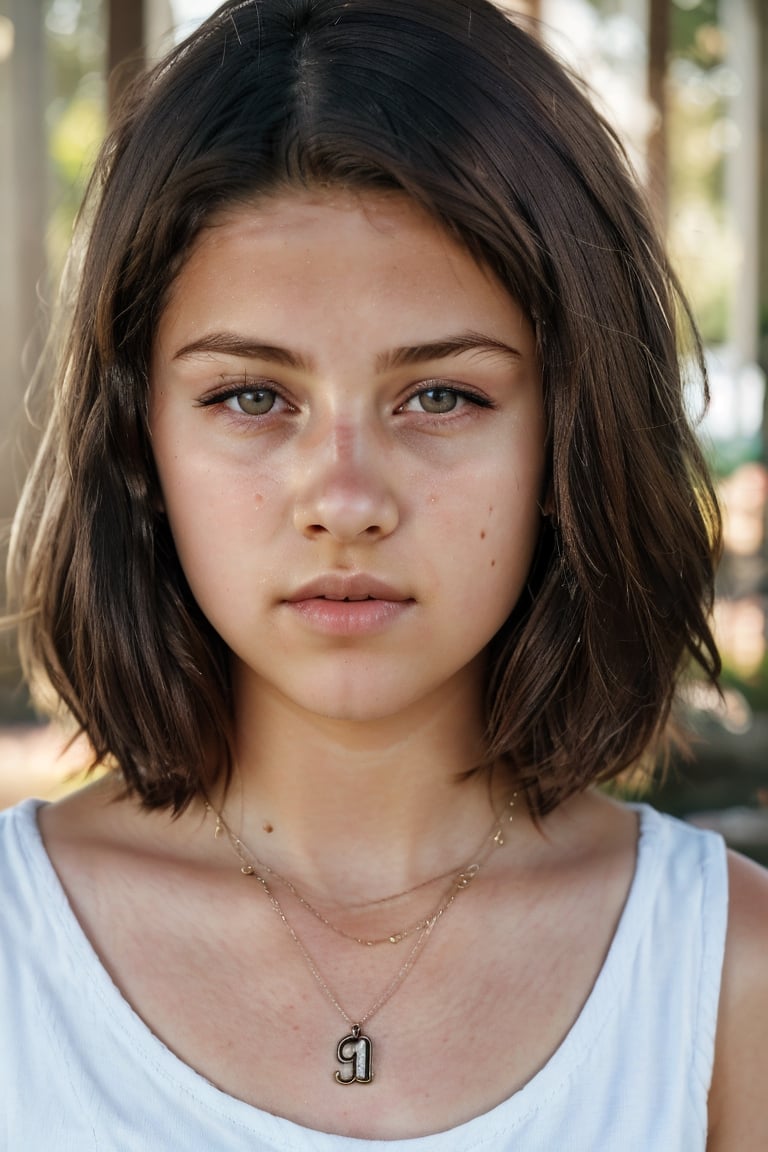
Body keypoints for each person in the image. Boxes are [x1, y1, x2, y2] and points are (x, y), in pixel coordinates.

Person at [2, 0, 767, 1147]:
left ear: (566, 437)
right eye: (251, 397)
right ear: (139, 443)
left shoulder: (732, 978)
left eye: (442, 396)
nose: (347, 500)